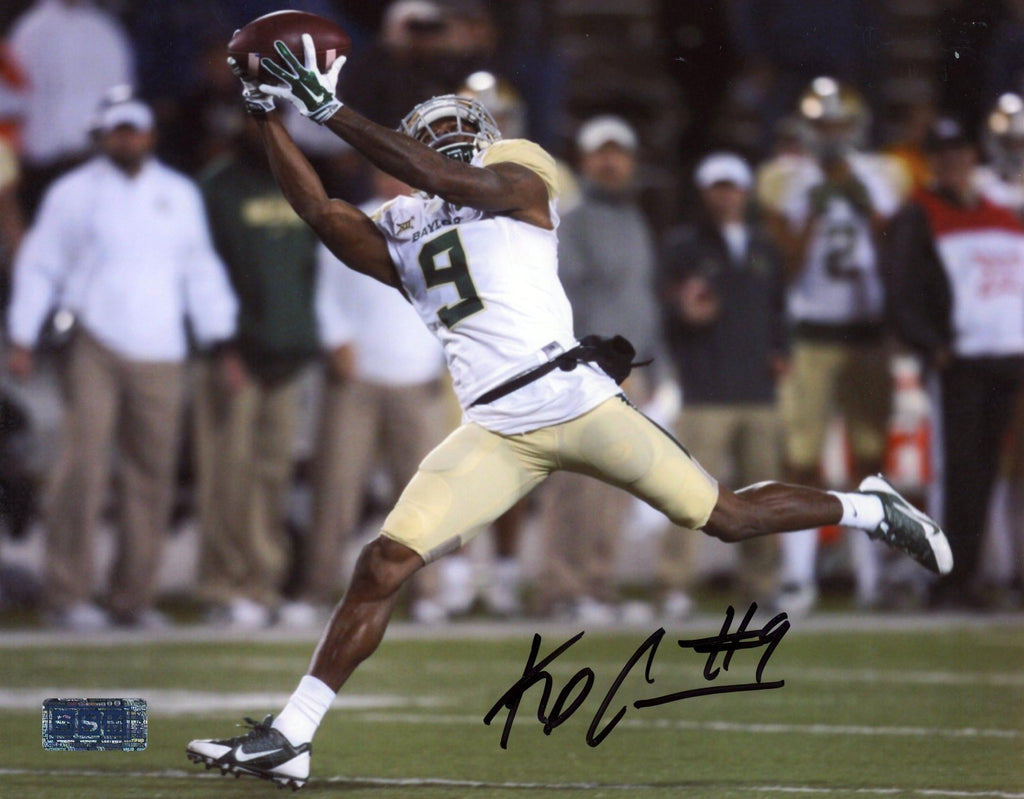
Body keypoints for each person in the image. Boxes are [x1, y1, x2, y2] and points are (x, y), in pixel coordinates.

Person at [186, 36, 951, 789]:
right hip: (495, 428)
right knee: (383, 562)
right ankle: (292, 734)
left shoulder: (520, 172)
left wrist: (332, 113)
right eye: (432, 131)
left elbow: (445, 177)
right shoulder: (404, 224)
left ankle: (868, 507)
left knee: (725, 516)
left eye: (456, 128)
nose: (446, 139)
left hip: (576, 399)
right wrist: (268, 117)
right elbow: (320, 211)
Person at [5, 90, 237, 630]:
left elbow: (200, 270)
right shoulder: (72, 193)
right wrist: (22, 334)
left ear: (149, 134)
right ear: (101, 135)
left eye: (134, 129)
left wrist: (221, 338)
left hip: (162, 346)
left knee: (151, 476)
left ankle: (133, 598)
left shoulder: (178, 193)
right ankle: (67, 594)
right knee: (81, 468)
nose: (127, 139)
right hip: (95, 341)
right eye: (117, 131)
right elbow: (40, 264)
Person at [757, 75, 910, 614]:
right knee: (801, 460)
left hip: (868, 332)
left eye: (839, 125)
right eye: (822, 126)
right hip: (811, 335)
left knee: (870, 459)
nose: (831, 135)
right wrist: (814, 216)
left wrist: (867, 210)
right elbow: (783, 266)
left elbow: (899, 257)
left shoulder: (883, 176)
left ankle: (872, 578)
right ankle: (799, 577)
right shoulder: (787, 180)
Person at [279, 166, 453, 627]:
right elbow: (324, 291)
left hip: (416, 377)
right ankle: (316, 589)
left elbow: (451, 299)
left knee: (424, 496)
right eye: (384, 172)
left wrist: (439, 355)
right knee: (335, 490)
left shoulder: (442, 227)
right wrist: (336, 339)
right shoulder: (349, 222)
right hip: (355, 378)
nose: (394, 181)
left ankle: (426, 594)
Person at [533, 114, 670, 623]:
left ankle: (598, 585)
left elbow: (643, 301)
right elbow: (564, 301)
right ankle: (562, 589)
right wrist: (585, 362)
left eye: (619, 153)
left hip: (628, 372)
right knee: (576, 485)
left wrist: (657, 366)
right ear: (585, 161)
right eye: (601, 154)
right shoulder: (573, 221)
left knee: (614, 485)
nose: (611, 163)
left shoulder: (635, 219)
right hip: (586, 372)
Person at [884, 117, 1024, 609]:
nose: (952, 161)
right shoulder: (918, 213)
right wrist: (930, 345)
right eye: (942, 153)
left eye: (959, 151)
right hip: (959, 360)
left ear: (973, 155)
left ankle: (969, 574)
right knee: (955, 473)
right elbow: (900, 289)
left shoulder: (1001, 212)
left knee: (984, 474)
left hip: (1006, 357)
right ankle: (944, 579)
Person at [192, 108, 321, 629]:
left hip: (287, 355)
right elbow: (200, 272)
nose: (266, 128)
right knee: (227, 476)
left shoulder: (299, 179)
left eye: (275, 117)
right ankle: (222, 586)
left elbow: (310, 267)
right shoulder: (215, 188)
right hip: (236, 356)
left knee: (272, 475)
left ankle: (263, 584)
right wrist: (223, 345)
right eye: (256, 117)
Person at [654, 152, 787, 616]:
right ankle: (674, 583)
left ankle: (761, 584)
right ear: (703, 192)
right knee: (690, 495)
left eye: (731, 187)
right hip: (705, 390)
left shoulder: (764, 245)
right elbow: (664, 304)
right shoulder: (683, 246)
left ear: (745, 192)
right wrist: (682, 311)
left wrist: (782, 352)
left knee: (762, 495)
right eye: (717, 187)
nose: (725, 196)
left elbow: (778, 307)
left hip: (758, 390)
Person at [6, 0, 136, 220]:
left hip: (94, 157)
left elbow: (121, 93)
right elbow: (14, 98)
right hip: (44, 162)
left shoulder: (104, 29)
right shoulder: (30, 30)